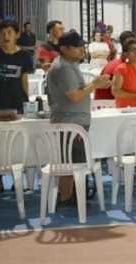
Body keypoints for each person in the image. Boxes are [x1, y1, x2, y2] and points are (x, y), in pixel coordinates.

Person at [47, 31, 112, 205]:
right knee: (71, 164)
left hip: (74, 121)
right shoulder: (63, 68)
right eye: (77, 47)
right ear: (64, 49)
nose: (81, 50)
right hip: (70, 122)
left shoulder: (70, 64)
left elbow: (79, 90)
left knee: (71, 162)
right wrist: (95, 84)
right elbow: (74, 96)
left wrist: (94, 84)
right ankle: (67, 199)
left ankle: (70, 196)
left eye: (82, 46)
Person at [0, 21, 34, 195]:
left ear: (17, 34)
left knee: (17, 144)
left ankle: (17, 181)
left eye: (10, 32)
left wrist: (26, 102)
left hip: (16, 102)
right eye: (2, 33)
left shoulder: (24, 56)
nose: (6, 36)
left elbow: (24, 79)